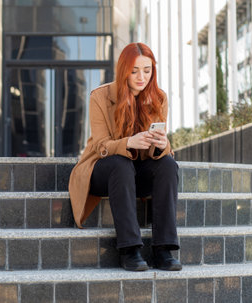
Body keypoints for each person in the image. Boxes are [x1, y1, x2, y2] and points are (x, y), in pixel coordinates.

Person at [68, 42, 182, 271]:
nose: (142, 77)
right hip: (104, 170)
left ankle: (163, 250)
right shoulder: (100, 96)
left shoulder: (159, 98)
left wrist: (162, 144)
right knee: (120, 164)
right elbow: (101, 145)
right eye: (134, 71)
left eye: (147, 70)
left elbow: (157, 150)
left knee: (168, 164)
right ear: (123, 70)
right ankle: (129, 250)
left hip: (137, 172)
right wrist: (128, 143)